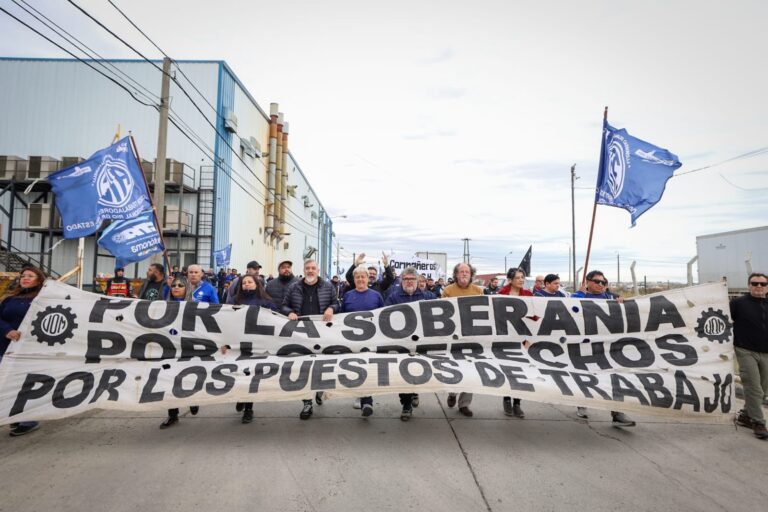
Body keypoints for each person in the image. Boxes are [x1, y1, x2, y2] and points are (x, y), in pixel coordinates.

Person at [571, 270, 635, 427]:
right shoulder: (579, 296)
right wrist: (580, 295)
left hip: (607, 346)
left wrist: (622, 303)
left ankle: (617, 413)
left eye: (603, 282)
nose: (601, 284)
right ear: (588, 282)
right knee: (585, 375)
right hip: (584, 345)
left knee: (614, 377)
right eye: (597, 281)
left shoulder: (611, 298)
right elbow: (567, 309)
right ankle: (582, 403)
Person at [281, 259, 340, 419]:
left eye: (313, 268)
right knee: (304, 368)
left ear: (318, 271)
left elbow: (337, 304)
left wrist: (331, 308)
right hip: (301, 333)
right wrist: (289, 312)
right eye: (307, 268)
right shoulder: (294, 287)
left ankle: (319, 390)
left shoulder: (328, 286)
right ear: (304, 270)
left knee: (321, 366)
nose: (310, 270)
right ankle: (307, 402)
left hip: (323, 333)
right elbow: (284, 305)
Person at [226, 274, 279, 423]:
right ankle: (241, 397)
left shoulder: (266, 301)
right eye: (244, 283)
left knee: (251, 375)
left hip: (257, 344)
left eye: (250, 282)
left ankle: (248, 408)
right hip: (238, 343)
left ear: (256, 284)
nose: (247, 284)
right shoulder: (234, 301)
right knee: (238, 373)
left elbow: (275, 318)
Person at [0, 267, 46, 436]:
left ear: (39, 280)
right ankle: (11, 414)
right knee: (5, 383)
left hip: (30, 350)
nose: (25, 278)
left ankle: (27, 419)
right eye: (23, 276)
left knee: (24, 385)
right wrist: (7, 330)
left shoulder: (44, 300)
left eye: (30, 276)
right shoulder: (9, 299)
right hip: (5, 347)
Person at [384, 266, 431, 420]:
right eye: (406, 279)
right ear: (401, 281)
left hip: (421, 342)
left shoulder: (427, 297)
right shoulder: (393, 297)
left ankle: (415, 391)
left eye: (412, 279)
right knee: (402, 373)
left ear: (417, 280)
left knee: (418, 370)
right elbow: (384, 316)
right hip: (401, 342)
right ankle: (406, 404)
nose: (409, 281)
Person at [442, 263, 485, 417]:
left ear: (471, 274)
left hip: (472, 336)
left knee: (471, 370)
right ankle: (452, 393)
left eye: (467, 271)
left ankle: (464, 404)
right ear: (456, 274)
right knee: (455, 368)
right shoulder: (448, 291)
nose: (465, 274)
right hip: (454, 337)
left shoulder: (478, 291)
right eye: (461, 271)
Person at [342, 265, 385, 418]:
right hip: (351, 340)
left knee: (368, 368)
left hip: (371, 340)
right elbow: (340, 317)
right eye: (357, 277)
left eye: (363, 276)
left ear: (368, 278)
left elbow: (383, 316)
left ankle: (367, 401)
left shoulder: (376, 296)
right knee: (356, 368)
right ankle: (360, 396)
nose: (360, 279)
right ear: (354, 280)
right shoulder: (347, 296)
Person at [731, 272, 768, 439]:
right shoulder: (738, 303)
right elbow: (722, 320)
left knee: (763, 389)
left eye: (762, 284)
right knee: (753, 387)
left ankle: (746, 416)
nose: (759, 286)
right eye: (754, 283)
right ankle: (758, 423)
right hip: (745, 350)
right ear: (749, 286)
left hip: (766, 352)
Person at [159, 276, 198, 429]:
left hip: (189, 347)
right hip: (170, 347)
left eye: (180, 285)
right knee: (170, 380)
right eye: (174, 285)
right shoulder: (163, 306)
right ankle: (172, 414)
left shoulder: (196, 306)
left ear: (187, 288)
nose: (176, 287)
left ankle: (193, 400)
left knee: (189, 376)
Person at [497, 268, 531, 418]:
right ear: (510, 280)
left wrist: (529, 339)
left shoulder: (529, 295)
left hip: (522, 338)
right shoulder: (501, 295)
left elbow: (533, 318)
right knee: (508, 370)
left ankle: (517, 403)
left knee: (521, 371)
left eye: (522, 277)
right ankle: (506, 400)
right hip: (505, 338)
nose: (521, 280)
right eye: (518, 277)